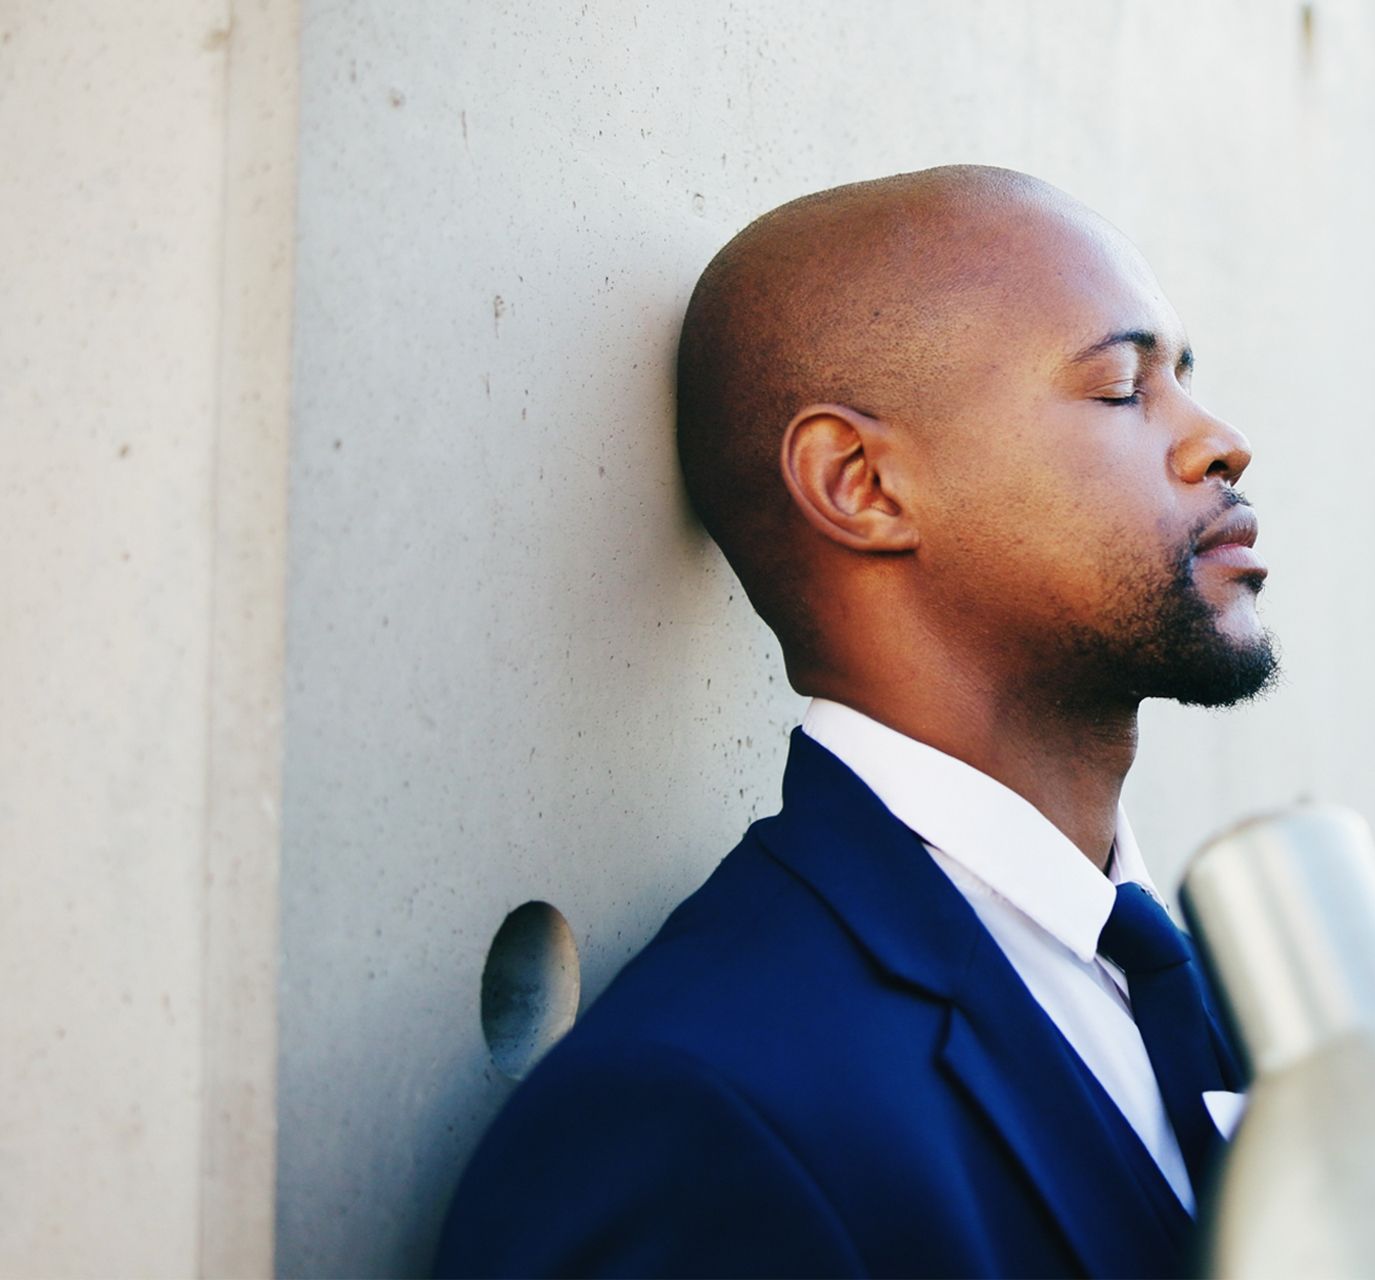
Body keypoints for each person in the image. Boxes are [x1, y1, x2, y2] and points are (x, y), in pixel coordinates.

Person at [435, 164, 1276, 1278]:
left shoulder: (1231, 988)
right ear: (861, 484)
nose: (1219, 441)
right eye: (1125, 387)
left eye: (1186, 379)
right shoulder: (697, 1119)